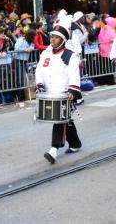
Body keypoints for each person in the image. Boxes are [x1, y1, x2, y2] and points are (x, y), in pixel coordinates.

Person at [36, 15, 82, 165]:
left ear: (63, 39)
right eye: (52, 36)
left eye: (56, 37)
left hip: (64, 93)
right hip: (50, 94)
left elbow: (74, 74)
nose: (53, 39)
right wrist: (40, 84)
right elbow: (39, 70)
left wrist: (73, 90)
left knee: (59, 119)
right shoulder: (46, 53)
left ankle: (54, 149)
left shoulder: (70, 55)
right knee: (64, 118)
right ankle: (75, 143)